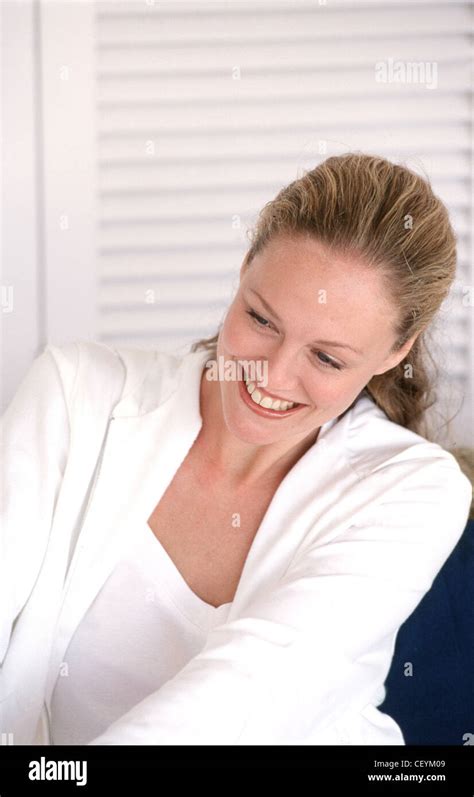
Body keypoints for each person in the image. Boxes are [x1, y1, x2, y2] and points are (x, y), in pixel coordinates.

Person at [1, 153, 471, 746]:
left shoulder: (417, 489)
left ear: (396, 352)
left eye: (326, 358)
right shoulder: (75, 395)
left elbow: (238, 704)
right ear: (245, 267)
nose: (269, 376)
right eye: (261, 319)